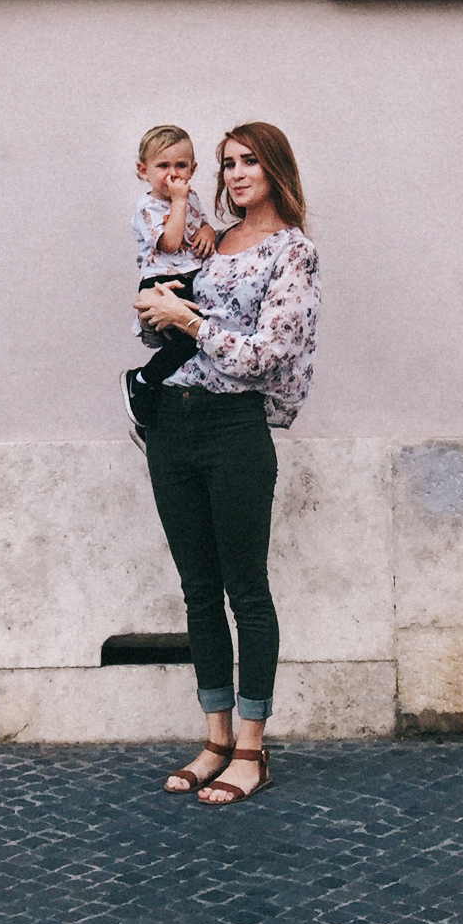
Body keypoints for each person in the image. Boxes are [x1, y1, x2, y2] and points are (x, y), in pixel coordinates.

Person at [133, 122, 320, 806]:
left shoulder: (291, 252)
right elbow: (157, 312)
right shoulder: (208, 243)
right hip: (172, 426)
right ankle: (214, 738)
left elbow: (265, 354)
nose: (236, 174)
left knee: (247, 590)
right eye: (227, 163)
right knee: (197, 590)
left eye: (249, 162)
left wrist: (186, 323)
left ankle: (251, 747)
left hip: (234, 429)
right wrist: (160, 312)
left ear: (275, 169)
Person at [122, 126, 216, 443]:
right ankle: (141, 380)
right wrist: (178, 201)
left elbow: (197, 224)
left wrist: (208, 230)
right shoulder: (147, 208)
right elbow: (172, 243)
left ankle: (155, 424)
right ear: (143, 170)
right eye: (163, 166)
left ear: (193, 168)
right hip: (163, 282)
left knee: (193, 353)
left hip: (190, 278)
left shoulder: (190, 197)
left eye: (181, 166)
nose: (173, 174)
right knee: (189, 341)